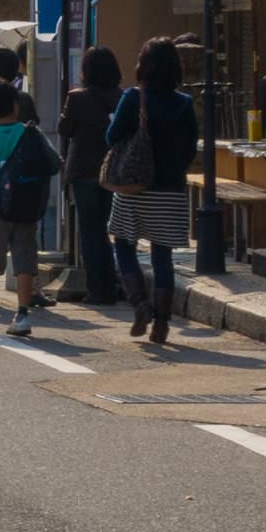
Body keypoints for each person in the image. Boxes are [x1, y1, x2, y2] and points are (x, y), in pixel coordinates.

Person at [107, 37, 198, 345]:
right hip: (170, 189)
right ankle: (161, 324)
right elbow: (189, 148)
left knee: (123, 244)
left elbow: (112, 135)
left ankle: (140, 305)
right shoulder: (184, 103)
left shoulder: (135, 97)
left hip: (135, 186)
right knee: (163, 256)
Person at [0, 79, 63, 336]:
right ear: (16, 107)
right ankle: (21, 316)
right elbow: (54, 163)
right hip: (26, 206)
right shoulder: (31, 133)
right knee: (24, 258)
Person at [58, 45, 123, 304]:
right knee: (107, 230)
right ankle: (112, 284)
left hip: (83, 171)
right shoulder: (122, 97)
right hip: (112, 171)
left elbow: (64, 129)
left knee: (89, 232)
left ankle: (97, 289)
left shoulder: (76, 98)